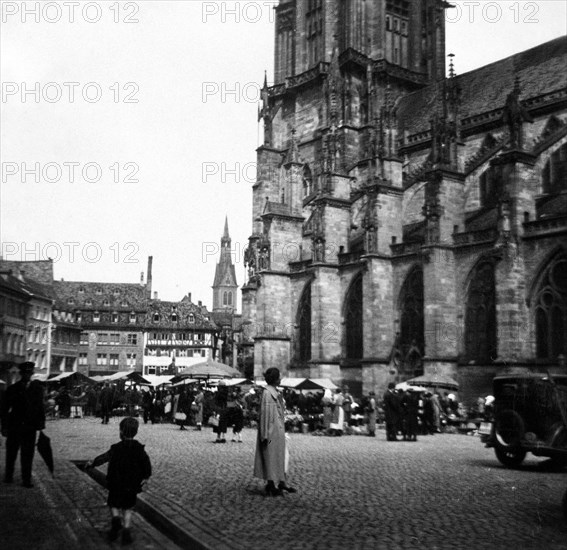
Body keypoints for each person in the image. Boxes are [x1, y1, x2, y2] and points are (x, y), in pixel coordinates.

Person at [86, 417, 152, 545]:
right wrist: (146, 477)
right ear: (136, 432)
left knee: (113, 504)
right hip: (132, 484)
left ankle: (116, 518)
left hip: (116, 483)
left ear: (121, 431)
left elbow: (104, 457)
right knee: (128, 508)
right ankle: (126, 531)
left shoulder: (116, 448)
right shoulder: (139, 449)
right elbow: (146, 464)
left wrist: (92, 463)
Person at [1, 362, 46, 488]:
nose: (27, 375)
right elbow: (4, 409)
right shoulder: (13, 389)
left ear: (31, 374)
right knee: (11, 452)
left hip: (29, 427)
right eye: (25, 373)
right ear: (21, 374)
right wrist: (4, 426)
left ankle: (26, 479)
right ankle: (8, 475)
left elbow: (40, 407)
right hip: (14, 425)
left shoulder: (37, 390)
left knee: (27, 453)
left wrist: (41, 423)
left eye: (29, 373)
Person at [253, 367, 295, 496]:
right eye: (279, 377)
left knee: (281, 456)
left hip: (278, 431)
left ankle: (281, 482)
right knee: (270, 457)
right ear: (275, 379)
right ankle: (271, 484)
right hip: (271, 432)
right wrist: (265, 433)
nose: (281, 379)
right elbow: (265, 415)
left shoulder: (274, 392)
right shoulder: (267, 393)